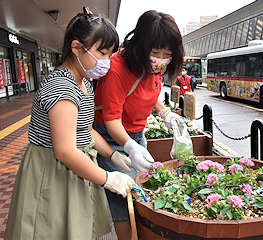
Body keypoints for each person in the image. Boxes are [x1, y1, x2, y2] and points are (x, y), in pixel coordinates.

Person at [4, 8, 135, 240]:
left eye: (110, 55)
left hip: (73, 168)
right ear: (77, 48)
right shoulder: (62, 87)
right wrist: (107, 178)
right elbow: (64, 151)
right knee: (50, 229)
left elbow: (86, 130)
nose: (106, 62)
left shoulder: (83, 82)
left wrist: (115, 155)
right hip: (53, 170)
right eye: (102, 53)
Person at [93, 10, 185, 240]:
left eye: (168, 54)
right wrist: (130, 147)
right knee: (122, 196)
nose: (161, 60)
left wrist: (164, 113)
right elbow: (112, 121)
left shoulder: (154, 66)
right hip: (112, 138)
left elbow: (149, 90)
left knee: (141, 189)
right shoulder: (117, 68)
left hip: (137, 134)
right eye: (155, 53)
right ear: (142, 47)